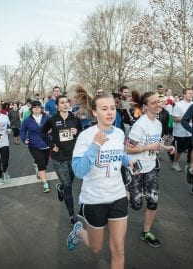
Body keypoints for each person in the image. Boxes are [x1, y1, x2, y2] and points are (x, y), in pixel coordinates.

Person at [68, 93, 133, 269]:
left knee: (118, 249)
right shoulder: (86, 136)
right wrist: (95, 145)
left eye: (113, 108)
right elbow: (79, 171)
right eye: (104, 109)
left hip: (118, 196)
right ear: (95, 113)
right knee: (96, 248)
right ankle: (78, 231)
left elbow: (119, 153)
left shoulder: (119, 133)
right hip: (94, 199)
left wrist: (128, 161)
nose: (110, 112)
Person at [125, 92, 174, 248]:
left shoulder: (158, 124)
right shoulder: (140, 125)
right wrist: (147, 147)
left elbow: (156, 144)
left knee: (153, 201)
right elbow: (127, 149)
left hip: (151, 167)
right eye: (154, 103)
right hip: (136, 167)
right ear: (145, 107)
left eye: (159, 102)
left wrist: (167, 147)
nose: (158, 104)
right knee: (136, 204)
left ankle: (146, 232)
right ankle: (122, 190)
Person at [41, 95, 82, 225]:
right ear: (57, 106)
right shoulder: (52, 119)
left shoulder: (75, 119)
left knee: (69, 181)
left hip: (73, 157)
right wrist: (52, 145)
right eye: (62, 103)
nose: (65, 104)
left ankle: (61, 188)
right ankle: (72, 215)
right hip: (58, 158)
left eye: (66, 102)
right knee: (68, 186)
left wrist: (77, 132)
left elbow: (82, 133)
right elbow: (42, 132)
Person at [20, 101, 51, 193]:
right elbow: (22, 130)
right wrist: (24, 139)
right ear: (31, 109)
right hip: (34, 144)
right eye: (35, 107)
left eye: (38, 107)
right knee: (41, 163)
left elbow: (53, 128)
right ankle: (45, 184)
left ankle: (39, 168)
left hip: (46, 144)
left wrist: (51, 133)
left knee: (45, 163)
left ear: (41, 108)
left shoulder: (47, 118)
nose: (37, 109)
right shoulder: (27, 120)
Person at [171, 88, 193, 172]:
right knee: (180, 150)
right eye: (189, 93)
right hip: (181, 132)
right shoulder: (178, 105)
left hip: (192, 131)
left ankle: (192, 164)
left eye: (192, 93)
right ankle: (175, 163)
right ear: (184, 95)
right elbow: (174, 119)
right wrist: (186, 118)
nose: (191, 95)